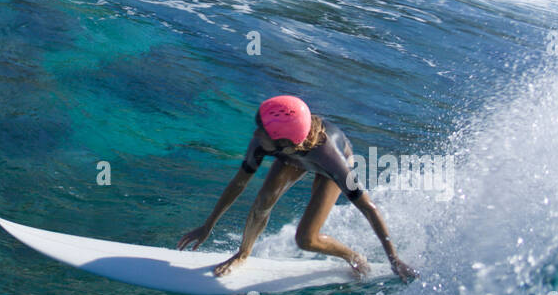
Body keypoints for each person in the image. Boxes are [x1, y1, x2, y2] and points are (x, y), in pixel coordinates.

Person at [179, 95, 418, 282]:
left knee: (305, 239)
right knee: (262, 202)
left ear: (283, 140)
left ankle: (353, 257)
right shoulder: (266, 143)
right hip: (292, 156)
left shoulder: (332, 160)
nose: (254, 134)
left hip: (326, 169)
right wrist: (207, 225)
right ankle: (243, 253)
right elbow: (238, 183)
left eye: (262, 131)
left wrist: (393, 258)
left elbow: (368, 207)